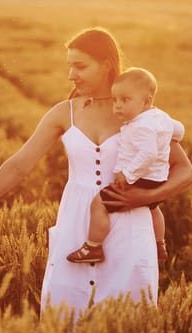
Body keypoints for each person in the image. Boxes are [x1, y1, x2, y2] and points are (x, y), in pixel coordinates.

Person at [0, 27, 192, 315]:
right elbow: (18, 165)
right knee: (64, 321)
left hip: (131, 233)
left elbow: (185, 172)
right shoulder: (64, 112)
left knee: (126, 324)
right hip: (76, 229)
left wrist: (144, 199)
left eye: (80, 66)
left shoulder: (138, 114)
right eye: (70, 66)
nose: (71, 75)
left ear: (107, 65)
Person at [66, 67, 185, 264]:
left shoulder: (141, 126)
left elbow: (148, 154)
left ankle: (93, 247)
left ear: (146, 102)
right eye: (115, 100)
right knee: (154, 208)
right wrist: (173, 136)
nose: (118, 107)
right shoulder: (160, 117)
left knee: (99, 204)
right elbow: (178, 129)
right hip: (157, 178)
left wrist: (128, 174)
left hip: (140, 179)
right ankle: (159, 244)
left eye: (125, 100)